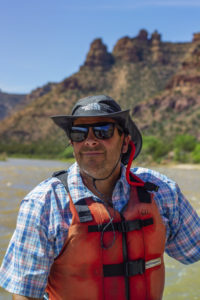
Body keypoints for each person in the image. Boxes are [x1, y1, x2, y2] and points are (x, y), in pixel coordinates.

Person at [0, 94, 199, 300]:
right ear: (72, 143)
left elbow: (193, 250)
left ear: (124, 143)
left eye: (103, 131)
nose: (90, 141)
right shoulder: (43, 204)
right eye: (79, 133)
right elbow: (25, 295)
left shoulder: (162, 192)